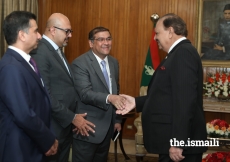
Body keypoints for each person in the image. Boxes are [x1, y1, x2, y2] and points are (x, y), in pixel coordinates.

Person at [117, 13, 207, 162]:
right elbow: (167, 96)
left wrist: (178, 141)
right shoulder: (177, 54)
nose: (155, 38)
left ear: (170, 32)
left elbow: (184, 102)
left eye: (157, 33)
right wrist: (135, 102)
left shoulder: (183, 53)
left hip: (179, 145)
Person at [30, 13, 95, 162]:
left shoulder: (56, 50)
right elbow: (45, 94)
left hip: (63, 126)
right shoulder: (40, 51)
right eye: (67, 31)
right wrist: (72, 117)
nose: (70, 35)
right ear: (53, 30)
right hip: (52, 126)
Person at [0, 11, 58, 162]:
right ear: (22, 35)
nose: (39, 36)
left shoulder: (27, 62)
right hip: (20, 149)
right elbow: (24, 113)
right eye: (36, 31)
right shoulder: (11, 67)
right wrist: (48, 139)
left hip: (32, 144)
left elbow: (40, 103)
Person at [71, 26, 125, 162]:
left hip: (108, 128)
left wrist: (117, 119)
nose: (106, 43)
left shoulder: (113, 62)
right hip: (87, 127)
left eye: (108, 39)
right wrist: (109, 98)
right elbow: (85, 93)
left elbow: (115, 90)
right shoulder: (80, 63)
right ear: (91, 43)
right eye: (100, 39)